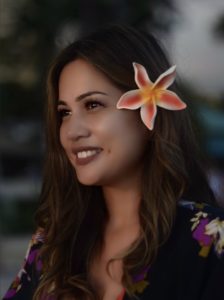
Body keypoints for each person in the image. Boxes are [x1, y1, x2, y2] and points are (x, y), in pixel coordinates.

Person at [3, 24, 224, 300]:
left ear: (149, 114)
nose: (72, 131)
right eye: (64, 112)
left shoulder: (209, 238)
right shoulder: (52, 242)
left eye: (93, 105)